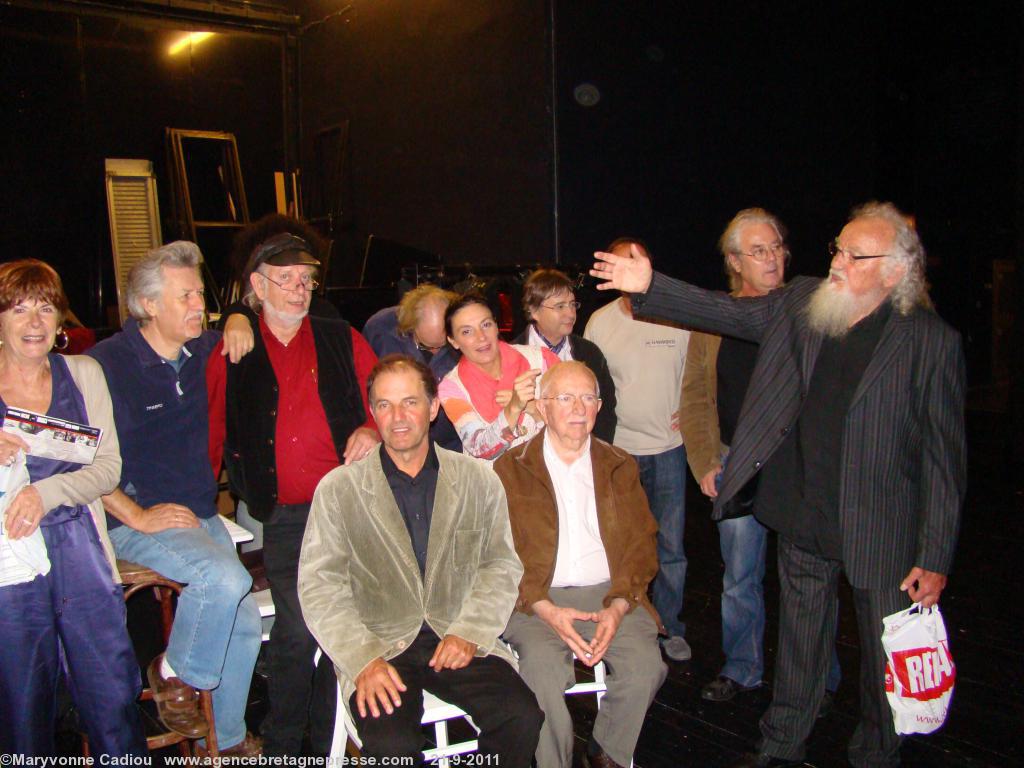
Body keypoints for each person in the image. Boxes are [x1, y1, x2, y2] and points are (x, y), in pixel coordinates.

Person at [591, 201, 966, 768]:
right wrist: (650, 286)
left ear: (894, 269)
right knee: (800, 639)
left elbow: (945, 460)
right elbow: (729, 312)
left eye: (852, 254)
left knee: (881, 649)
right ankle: (782, 741)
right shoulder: (805, 302)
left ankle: (875, 751)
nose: (835, 261)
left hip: (882, 524)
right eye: (836, 247)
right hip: (803, 508)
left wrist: (934, 555)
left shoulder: (930, 341)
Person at [298, 354, 542, 765]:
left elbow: (500, 566)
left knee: (521, 717)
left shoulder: (478, 480)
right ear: (372, 412)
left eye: (410, 402)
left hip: (458, 633)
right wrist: (362, 660)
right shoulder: (339, 490)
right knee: (393, 747)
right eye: (384, 405)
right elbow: (320, 586)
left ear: (432, 408)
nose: (397, 417)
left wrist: (469, 631)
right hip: (380, 643)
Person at [207, 230, 379, 756]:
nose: (300, 289)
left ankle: (340, 733)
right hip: (283, 513)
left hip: (347, 505)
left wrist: (371, 427)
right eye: (286, 280)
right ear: (257, 286)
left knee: (355, 618)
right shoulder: (233, 346)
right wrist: (198, 510)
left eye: (306, 279)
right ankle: (285, 745)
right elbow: (212, 427)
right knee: (301, 627)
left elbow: (385, 393)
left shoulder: (338, 334)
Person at [89, 243, 262, 757]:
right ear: (147, 305)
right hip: (132, 520)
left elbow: (262, 318)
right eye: (185, 295)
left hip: (197, 515)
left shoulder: (204, 351)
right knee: (226, 579)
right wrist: (137, 515)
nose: (198, 305)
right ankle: (174, 672)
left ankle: (223, 743)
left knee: (247, 622)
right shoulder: (105, 366)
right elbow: (81, 461)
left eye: (200, 294)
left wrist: (235, 313)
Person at [680, 209, 842, 706]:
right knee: (739, 578)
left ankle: (820, 672)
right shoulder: (713, 321)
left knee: (811, 578)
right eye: (759, 250)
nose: (772, 258)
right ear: (734, 261)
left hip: (798, 466)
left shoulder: (812, 312)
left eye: (776, 247)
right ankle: (744, 668)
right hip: (734, 463)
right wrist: (707, 461)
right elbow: (696, 397)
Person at [0, 260, 146, 757]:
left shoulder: (84, 374)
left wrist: (47, 494)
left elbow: (108, 469)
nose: (35, 322)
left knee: (111, 694)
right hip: (10, 561)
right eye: (19, 309)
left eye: (45, 308)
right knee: (20, 702)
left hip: (78, 546)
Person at [495, 361, 667, 768]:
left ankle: (607, 751)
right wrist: (544, 607)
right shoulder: (510, 469)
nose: (578, 408)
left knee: (647, 667)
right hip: (536, 596)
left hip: (610, 589)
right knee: (540, 674)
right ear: (542, 406)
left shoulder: (620, 465)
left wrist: (620, 604)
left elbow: (642, 544)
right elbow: (497, 554)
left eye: (588, 397)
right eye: (565, 398)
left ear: (600, 406)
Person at [584, 238, 692, 661]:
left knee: (671, 548)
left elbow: (696, 378)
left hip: (668, 450)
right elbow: (591, 387)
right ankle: (627, 628)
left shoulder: (676, 317)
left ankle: (670, 627)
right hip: (619, 453)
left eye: (636, 260)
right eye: (620, 261)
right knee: (621, 546)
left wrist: (690, 414)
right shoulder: (599, 323)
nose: (629, 268)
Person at [439, 293, 559, 460]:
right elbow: (480, 448)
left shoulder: (543, 360)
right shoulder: (451, 388)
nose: (481, 337)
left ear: (496, 326)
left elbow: (571, 426)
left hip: (549, 474)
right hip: (492, 482)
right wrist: (514, 407)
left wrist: (533, 408)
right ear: (453, 341)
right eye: (467, 331)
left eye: (486, 324)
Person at [513, 268, 617, 443]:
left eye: (572, 304)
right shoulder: (512, 354)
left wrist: (596, 455)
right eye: (560, 306)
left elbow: (606, 411)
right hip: (528, 457)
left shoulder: (589, 353)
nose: (570, 314)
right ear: (533, 311)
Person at [363, 284, 462, 451]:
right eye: (426, 346)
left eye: (443, 345)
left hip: (448, 444)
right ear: (410, 327)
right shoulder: (380, 329)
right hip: (393, 439)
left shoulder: (463, 329)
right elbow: (363, 382)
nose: (435, 352)